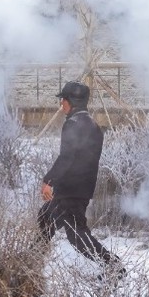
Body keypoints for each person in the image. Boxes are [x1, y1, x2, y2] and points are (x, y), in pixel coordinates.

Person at [37, 81, 122, 274]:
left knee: (78, 237)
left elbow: (67, 156)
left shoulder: (73, 124)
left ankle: (113, 266)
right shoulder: (93, 125)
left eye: (64, 100)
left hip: (71, 190)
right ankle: (34, 260)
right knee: (45, 217)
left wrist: (49, 181)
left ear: (72, 101)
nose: (61, 104)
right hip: (80, 188)